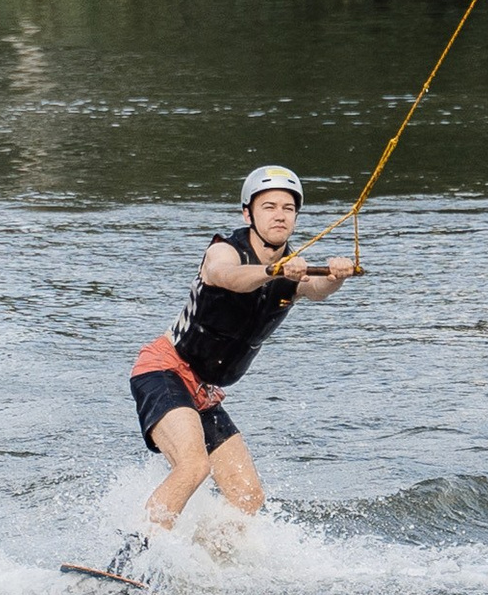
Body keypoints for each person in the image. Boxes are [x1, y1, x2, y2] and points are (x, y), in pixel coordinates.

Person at [119, 164, 359, 559]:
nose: (280, 215)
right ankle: (132, 558)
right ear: (249, 214)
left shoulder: (292, 268)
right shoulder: (226, 250)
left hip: (204, 390)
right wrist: (272, 270)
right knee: (193, 466)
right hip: (163, 370)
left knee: (247, 495)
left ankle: (203, 564)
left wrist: (336, 275)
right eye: (269, 207)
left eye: (288, 208)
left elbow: (315, 288)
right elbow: (225, 276)